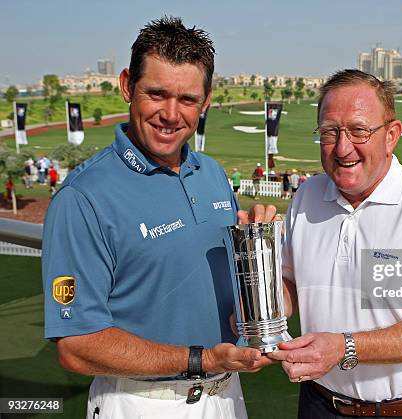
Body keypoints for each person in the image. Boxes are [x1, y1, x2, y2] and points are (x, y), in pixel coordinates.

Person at [42, 17, 276, 419]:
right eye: (156, 94)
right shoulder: (83, 197)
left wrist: (257, 277)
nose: (171, 114)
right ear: (126, 86)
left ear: (206, 101)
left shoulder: (212, 173)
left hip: (226, 396)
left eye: (187, 99)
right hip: (141, 403)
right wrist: (202, 360)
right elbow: (77, 346)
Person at [268, 70, 402, 418]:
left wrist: (345, 347)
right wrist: (256, 297)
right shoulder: (307, 195)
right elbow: (289, 286)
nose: (343, 147)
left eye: (359, 130)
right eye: (330, 132)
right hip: (318, 404)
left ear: (391, 135)